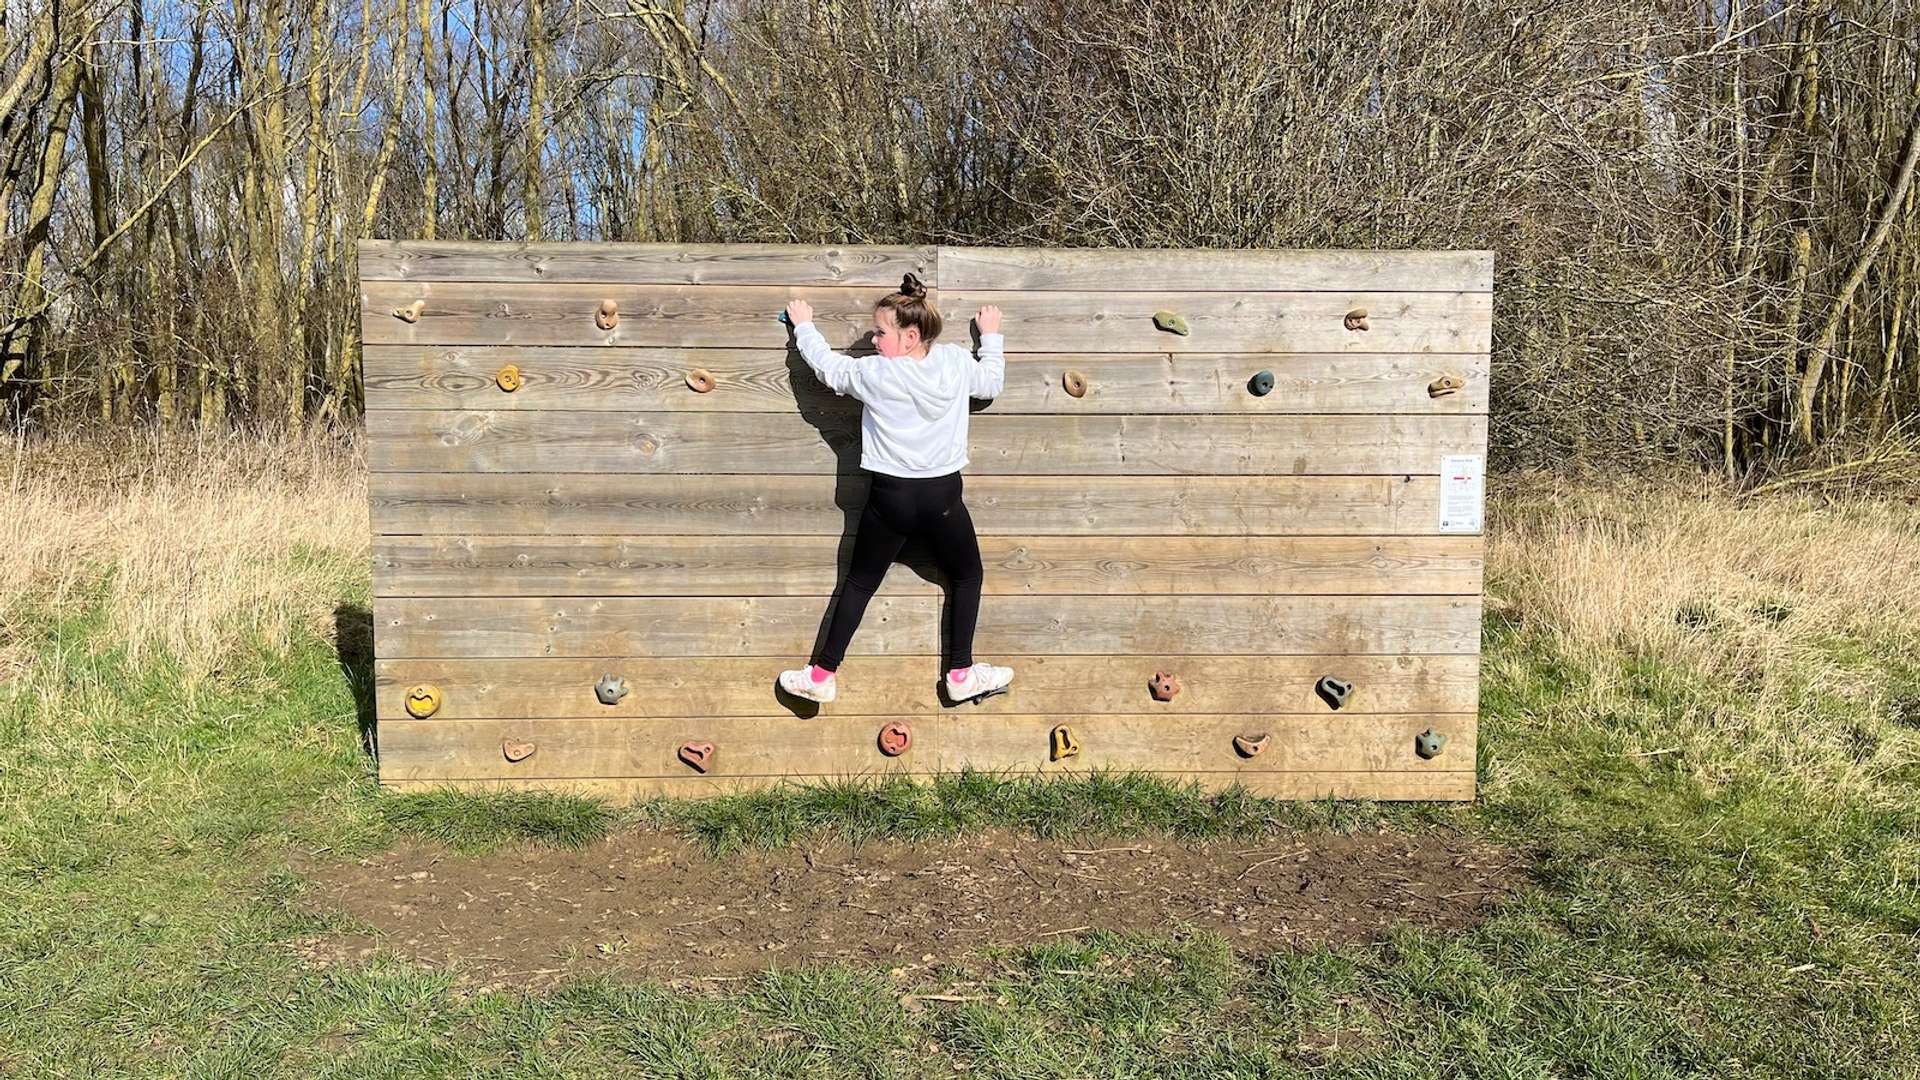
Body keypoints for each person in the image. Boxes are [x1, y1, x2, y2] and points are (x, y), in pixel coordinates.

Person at [776, 273, 1014, 707]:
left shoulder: (875, 373)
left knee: (859, 583)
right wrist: (991, 337)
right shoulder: (956, 362)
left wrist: (804, 326)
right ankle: (961, 673)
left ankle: (822, 675)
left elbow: (829, 368)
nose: (873, 339)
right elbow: (990, 384)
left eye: (881, 332)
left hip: (891, 500)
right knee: (968, 576)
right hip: (943, 499)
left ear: (910, 336)